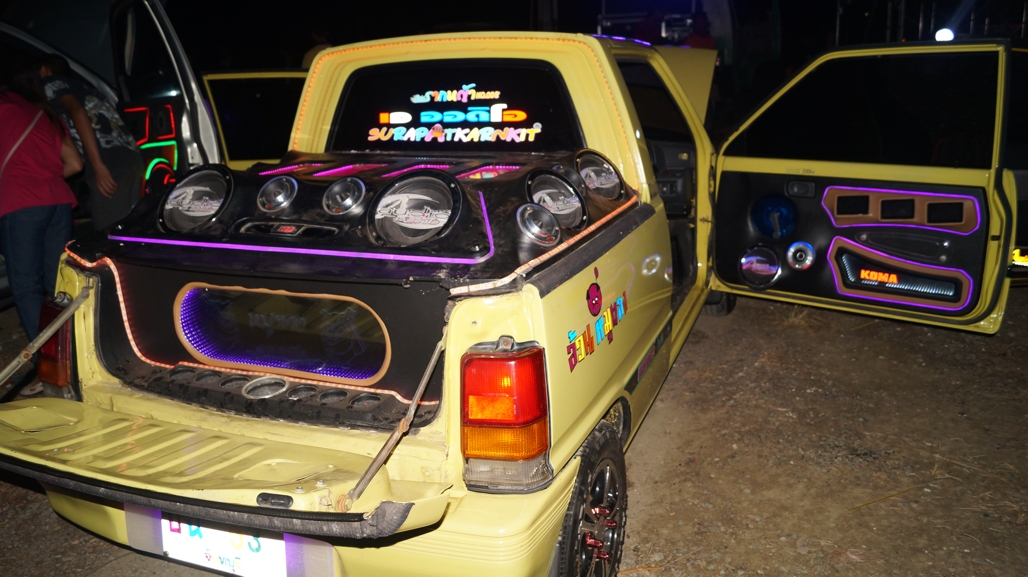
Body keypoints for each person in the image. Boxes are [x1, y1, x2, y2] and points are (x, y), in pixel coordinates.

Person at [0, 65, 82, 342]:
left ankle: (46, 361)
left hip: (21, 201)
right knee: (59, 284)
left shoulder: (4, 105)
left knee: (27, 288)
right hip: (58, 201)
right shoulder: (46, 114)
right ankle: (74, 350)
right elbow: (75, 164)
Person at [38, 55, 143, 231]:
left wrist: (97, 165)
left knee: (109, 234)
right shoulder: (86, 87)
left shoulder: (50, 83)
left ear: (43, 70)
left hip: (109, 163)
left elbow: (77, 110)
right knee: (131, 230)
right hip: (131, 157)